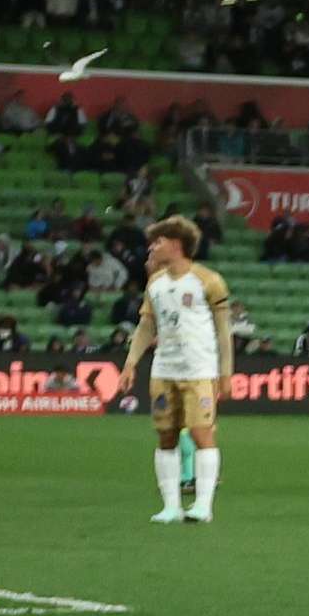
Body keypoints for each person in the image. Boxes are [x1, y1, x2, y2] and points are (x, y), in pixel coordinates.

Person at [122, 215, 233, 526]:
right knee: (166, 435)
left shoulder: (208, 280)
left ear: (176, 244)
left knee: (201, 433)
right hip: (164, 369)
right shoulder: (155, 283)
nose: (153, 247)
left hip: (199, 369)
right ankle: (171, 506)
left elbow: (224, 330)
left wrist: (226, 372)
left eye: (158, 242)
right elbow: (146, 325)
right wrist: (131, 363)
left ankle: (203, 505)